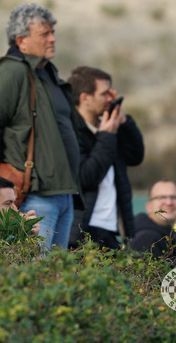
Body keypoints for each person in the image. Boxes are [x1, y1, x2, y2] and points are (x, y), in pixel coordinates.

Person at [0, 3, 83, 250]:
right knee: (34, 273)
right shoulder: (12, 72)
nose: (52, 38)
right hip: (35, 196)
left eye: (52, 32)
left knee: (54, 278)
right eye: (44, 34)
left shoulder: (46, 73)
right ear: (21, 41)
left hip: (62, 195)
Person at [67, 65, 145, 249]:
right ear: (85, 98)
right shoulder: (70, 131)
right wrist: (106, 137)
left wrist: (123, 121)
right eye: (104, 94)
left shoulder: (109, 127)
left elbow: (136, 156)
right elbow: (87, 176)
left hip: (111, 228)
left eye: (112, 93)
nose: (110, 99)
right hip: (83, 230)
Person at [130, 180, 176, 256]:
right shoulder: (145, 239)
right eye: (162, 197)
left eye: (174, 197)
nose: (169, 202)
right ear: (149, 206)